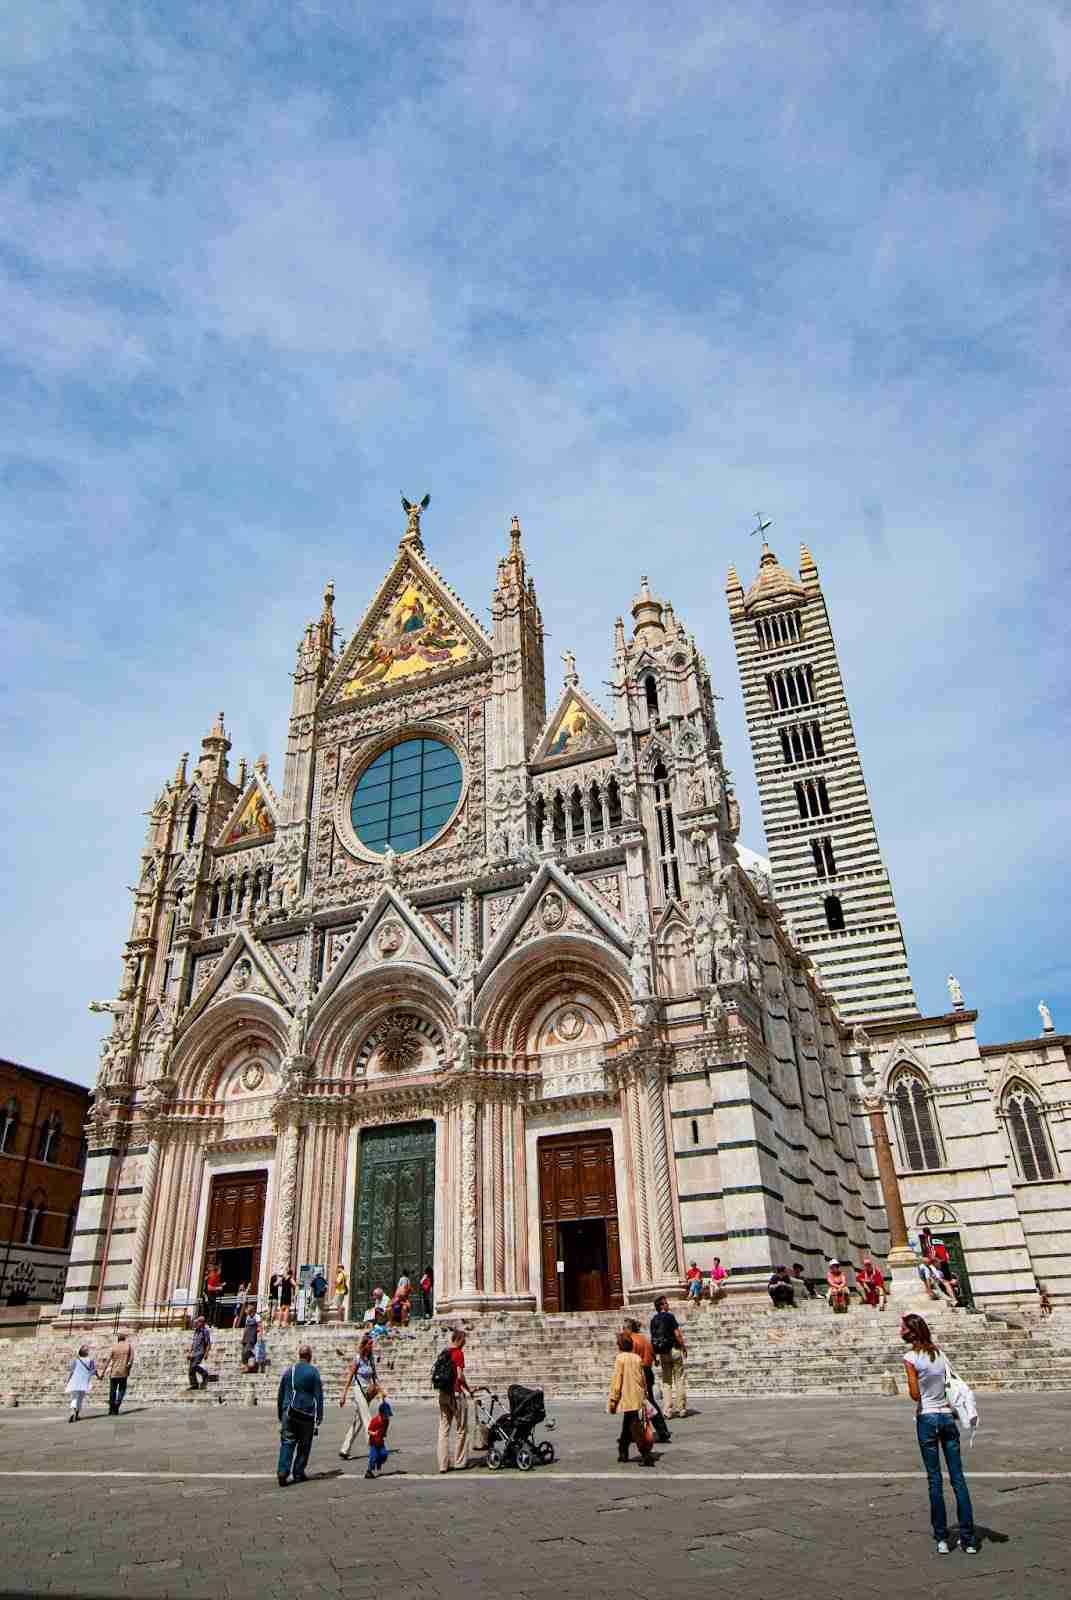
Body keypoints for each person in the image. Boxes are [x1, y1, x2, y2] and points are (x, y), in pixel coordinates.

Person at [901, 1312, 978, 1555]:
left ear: (910, 1332)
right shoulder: (939, 1354)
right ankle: (968, 1539)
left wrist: (914, 1383)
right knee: (958, 1479)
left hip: (927, 1418)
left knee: (935, 1480)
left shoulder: (910, 1357)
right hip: (946, 1416)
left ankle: (942, 1539)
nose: (899, 1331)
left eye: (902, 1327)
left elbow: (915, 1395)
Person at [277, 1342, 325, 1487]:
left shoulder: (289, 1371)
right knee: (304, 1444)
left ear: (299, 1356)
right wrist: (319, 1415)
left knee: (288, 1442)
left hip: (289, 1412)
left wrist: (281, 1413)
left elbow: (280, 1394)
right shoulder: (313, 1372)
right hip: (307, 1414)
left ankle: (282, 1472)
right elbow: (318, 1395)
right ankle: (298, 1472)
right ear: (309, 1356)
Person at [608, 1330, 655, 1466]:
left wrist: (613, 1400)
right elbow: (643, 1379)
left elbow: (617, 1381)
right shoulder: (637, 1358)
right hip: (638, 1396)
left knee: (635, 1427)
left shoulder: (620, 1359)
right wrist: (645, 1394)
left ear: (620, 1345)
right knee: (628, 1424)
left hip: (627, 1398)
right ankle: (623, 1451)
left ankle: (646, 1455)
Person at [625, 1318, 670, 1443]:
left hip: (640, 1371)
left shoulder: (632, 1340)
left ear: (629, 1329)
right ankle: (661, 1431)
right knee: (647, 1402)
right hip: (648, 1371)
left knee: (641, 1402)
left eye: (624, 1328)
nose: (623, 1331)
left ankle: (661, 1431)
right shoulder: (643, 1339)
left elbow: (632, 1359)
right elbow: (652, 1355)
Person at [436, 1328, 473, 1474]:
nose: (465, 1343)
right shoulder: (458, 1353)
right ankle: (459, 1462)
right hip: (455, 1395)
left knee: (443, 1430)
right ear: (459, 1340)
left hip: (442, 1395)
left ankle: (443, 1464)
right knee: (461, 1428)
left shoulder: (443, 1353)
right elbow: (459, 1376)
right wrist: (468, 1389)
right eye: (464, 1340)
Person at [339, 1332, 379, 1460]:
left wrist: (379, 1391)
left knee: (358, 1420)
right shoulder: (358, 1358)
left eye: (372, 1344)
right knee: (367, 1417)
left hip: (368, 1391)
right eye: (370, 1344)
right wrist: (344, 1394)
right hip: (358, 1389)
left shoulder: (371, 1359)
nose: (372, 1346)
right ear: (365, 1345)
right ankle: (372, 1445)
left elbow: (374, 1377)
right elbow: (350, 1376)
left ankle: (345, 1449)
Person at [650, 1296, 687, 1419]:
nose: (668, 1304)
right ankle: (681, 1408)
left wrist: (655, 1357)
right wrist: (684, 1347)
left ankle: (667, 1410)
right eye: (666, 1303)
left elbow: (653, 1339)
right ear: (662, 1306)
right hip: (674, 1350)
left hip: (663, 1353)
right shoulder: (670, 1317)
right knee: (679, 1379)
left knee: (666, 1382)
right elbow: (677, 1334)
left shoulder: (653, 1320)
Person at [100, 1330, 135, 1415]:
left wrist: (102, 1373)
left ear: (118, 1339)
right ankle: (117, 1404)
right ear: (125, 1339)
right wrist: (128, 1369)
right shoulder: (129, 1347)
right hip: (123, 1372)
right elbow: (131, 1360)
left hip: (114, 1372)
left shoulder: (114, 1347)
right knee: (122, 1390)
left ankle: (111, 1408)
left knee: (112, 1390)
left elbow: (108, 1361)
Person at [65, 1344, 96, 1421]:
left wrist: (68, 1380)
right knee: (80, 1398)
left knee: (74, 1397)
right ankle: (77, 1414)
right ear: (86, 1352)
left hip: (74, 1381)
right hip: (84, 1381)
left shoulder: (76, 1360)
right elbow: (93, 1371)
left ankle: (72, 1412)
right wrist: (98, 1376)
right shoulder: (90, 1360)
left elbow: (72, 1372)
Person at [365, 1399, 392, 1479]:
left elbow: (385, 1429)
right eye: (386, 1415)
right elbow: (369, 1431)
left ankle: (379, 1462)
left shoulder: (386, 1421)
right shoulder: (375, 1420)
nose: (387, 1417)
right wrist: (374, 1433)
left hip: (380, 1442)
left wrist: (384, 1434)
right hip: (373, 1442)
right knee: (373, 1456)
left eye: (388, 1415)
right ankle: (369, 1472)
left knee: (384, 1454)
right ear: (381, 1413)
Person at [188, 1315, 212, 1389]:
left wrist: (206, 1353)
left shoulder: (205, 1331)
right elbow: (193, 1343)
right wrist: (189, 1352)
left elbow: (208, 1343)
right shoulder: (196, 1331)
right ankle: (194, 1384)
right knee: (191, 1370)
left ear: (202, 1322)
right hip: (194, 1353)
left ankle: (205, 1373)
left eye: (198, 1322)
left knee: (194, 1366)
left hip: (200, 1352)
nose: (196, 1323)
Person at [240, 1306, 260, 1371]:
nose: (248, 1313)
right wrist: (243, 1337)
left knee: (247, 1350)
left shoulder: (257, 1316)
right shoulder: (248, 1317)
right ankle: (245, 1366)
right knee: (243, 1352)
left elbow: (260, 1326)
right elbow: (246, 1327)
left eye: (249, 1311)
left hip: (252, 1336)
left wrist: (260, 1335)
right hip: (246, 1336)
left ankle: (253, 1360)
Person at [204, 1261, 223, 1325]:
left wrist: (220, 1285)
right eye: (219, 1268)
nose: (220, 1270)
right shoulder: (212, 1275)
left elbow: (215, 1284)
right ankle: (209, 1323)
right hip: (209, 1295)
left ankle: (212, 1323)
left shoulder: (215, 1276)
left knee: (213, 1309)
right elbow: (209, 1287)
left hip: (212, 1294)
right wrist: (218, 1288)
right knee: (211, 1309)